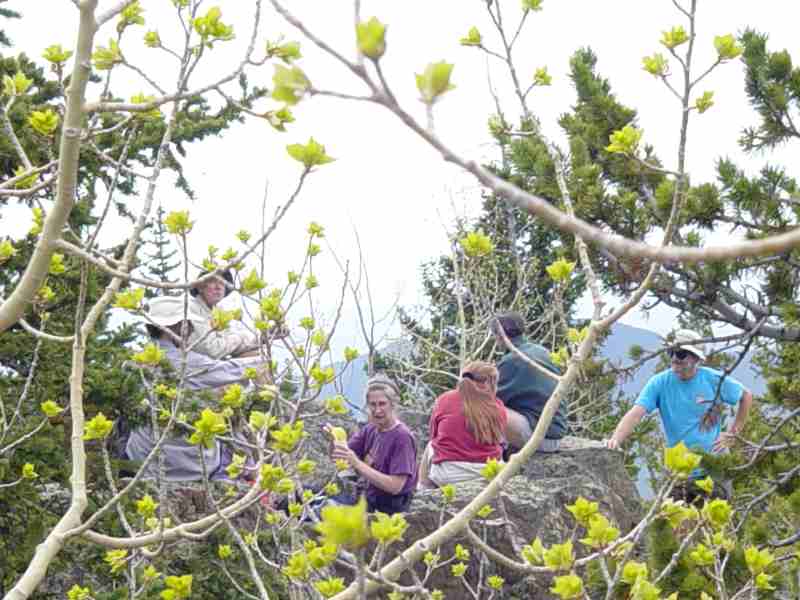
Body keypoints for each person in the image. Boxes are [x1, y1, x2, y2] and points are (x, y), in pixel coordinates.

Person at [125, 296, 268, 482]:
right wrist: (263, 348)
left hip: (141, 458)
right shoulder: (187, 362)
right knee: (234, 444)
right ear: (179, 326)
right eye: (188, 323)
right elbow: (236, 369)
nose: (191, 329)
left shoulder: (134, 361)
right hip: (188, 466)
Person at [606, 329, 754, 502]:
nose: (675, 358)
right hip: (680, 470)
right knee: (677, 526)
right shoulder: (659, 382)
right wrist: (615, 440)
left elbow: (746, 396)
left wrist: (733, 434)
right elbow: (636, 413)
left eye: (682, 353)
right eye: (672, 352)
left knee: (713, 523)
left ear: (696, 358)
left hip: (714, 468)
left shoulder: (712, 379)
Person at [327, 375, 418, 514]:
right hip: (366, 499)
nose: (377, 410)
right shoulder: (371, 429)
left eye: (382, 404)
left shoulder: (402, 437)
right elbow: (339, 458)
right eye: (372, 404)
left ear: (392, 404)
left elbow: (395, 486)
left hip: (387, 508)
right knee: (304, 495)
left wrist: (357, 463)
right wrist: (334, 441)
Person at [419, 361, 507, 488]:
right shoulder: (497, 406)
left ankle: (422, 490)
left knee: (430, 445)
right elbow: (498, 439)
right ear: (489, 382)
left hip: (447, 474)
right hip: (487, 473)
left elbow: (434, 435)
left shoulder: (444, 399)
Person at [492, 312, 567, 454]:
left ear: (499, 336)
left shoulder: (511, 360)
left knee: (483, 407)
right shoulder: (541, 351)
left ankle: (489, 452)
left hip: (540, 439)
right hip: (555, 433)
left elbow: (492, 398)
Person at [188, 268, 261, 359]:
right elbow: (213, 350)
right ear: (200, 287)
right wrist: (240, 338)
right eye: (213, 281)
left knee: (257, 355)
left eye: (222, 282)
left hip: (214, 364)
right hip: (196, 366)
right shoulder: (192, 309)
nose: (218, 287)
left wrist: (262, 338)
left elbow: (230, 341)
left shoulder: (218, 312)